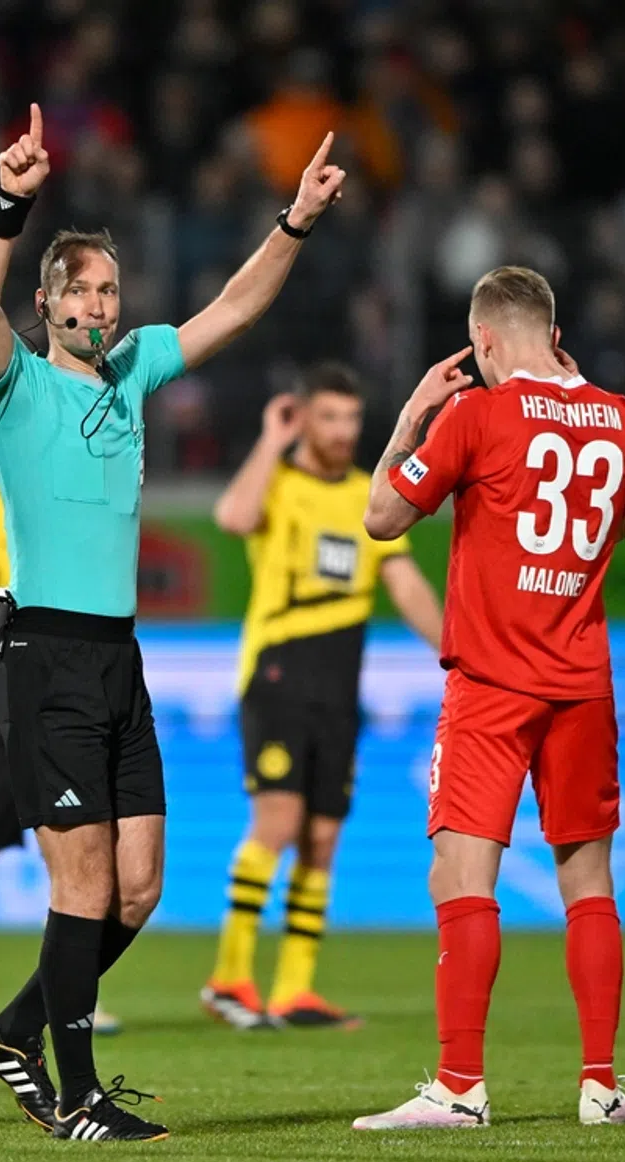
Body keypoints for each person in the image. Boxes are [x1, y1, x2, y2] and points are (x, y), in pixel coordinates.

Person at [0, 103, 345, 1143]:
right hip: (45, 655)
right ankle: (77, 1097)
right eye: (80, 289)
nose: (99, 302)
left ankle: (10, 1033)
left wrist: (295, 223)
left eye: (110, 289)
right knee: (81, 884)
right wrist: (9, 207)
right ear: (47, 304)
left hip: (117, 661)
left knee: (137, 889)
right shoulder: (17, 386)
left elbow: (233, 309)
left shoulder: (133, 373)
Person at [355, 265, 625, 1130]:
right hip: (583, 681)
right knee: (589, 879)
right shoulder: (623, 419)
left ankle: (458, 1086)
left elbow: (381, 516)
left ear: (484, 340)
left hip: (492, 682)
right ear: (555, 334)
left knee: (458, 871)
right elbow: (621, 523)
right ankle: (601, 1086)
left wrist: (413, 415)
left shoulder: (475, 413)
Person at [202, 365, 443, 1031]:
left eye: (351, 419)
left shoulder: (367, 496)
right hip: (279, 671)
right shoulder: (277, 481)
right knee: (276, 823)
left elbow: (405, 581)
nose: (342, 432)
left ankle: (295, 990)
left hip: (340, 681)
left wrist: (454, 648)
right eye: (329, 417)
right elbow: (232, 516)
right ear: (304, 417)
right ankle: (230, 977)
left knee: (323, 836)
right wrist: (269, 443)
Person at [0, 480, 120, 1039]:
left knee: (78, 857)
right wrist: (7, 704)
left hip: (62, 709)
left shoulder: (70, 504)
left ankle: (73, 992)